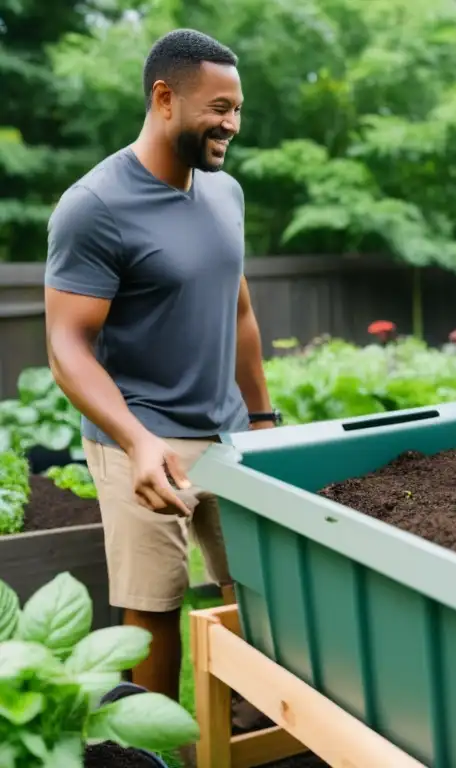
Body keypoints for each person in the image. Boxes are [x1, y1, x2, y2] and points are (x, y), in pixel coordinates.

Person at [44, 28, 279, 710]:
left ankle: (251, 732)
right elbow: (67, 348)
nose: (232, 124)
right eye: (219, 107)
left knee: (261, 592)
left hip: (228, 435)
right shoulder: (94, 207)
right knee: (155, 609)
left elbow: (239, 314)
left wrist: (261, 419)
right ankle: (157, 754)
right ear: (164, 98)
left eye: (237, 109)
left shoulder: (224, 194)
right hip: (140, 435)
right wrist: (138, 442)